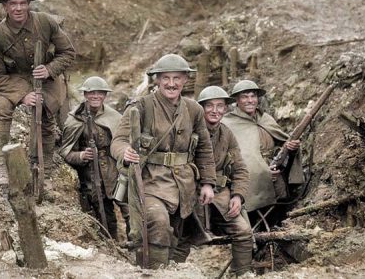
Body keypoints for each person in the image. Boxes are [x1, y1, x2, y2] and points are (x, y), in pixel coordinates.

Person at [110, 53, 217, 268]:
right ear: (157, 80)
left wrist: (207, 183)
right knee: (156, 225)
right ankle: (153, 272)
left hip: (183, 187)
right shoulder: (141, 107)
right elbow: (119, 140)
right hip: (149, 182)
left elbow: (204, 148)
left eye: (177, 78)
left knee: (176, 238)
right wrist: (126, 152)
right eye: (165, 78)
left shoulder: (194, 109)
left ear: (185, 80)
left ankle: (168, 270)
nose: (171, 84)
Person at [0, 0, 76, 191]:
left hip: (45, 76)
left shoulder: (45, 22)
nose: (18, 8)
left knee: (46, 111)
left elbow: (68, 53)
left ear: (28, 5)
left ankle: (45, 167)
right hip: (15, 79)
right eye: (13, 4)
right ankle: (0, 166)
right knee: (2, 109)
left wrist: (50, 69)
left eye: (22, 3)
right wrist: (22, 96)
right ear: (5, 7)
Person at [174, 86, 253, 276]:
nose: (215, 111)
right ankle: (170, 273)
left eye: (220, 106)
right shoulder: (187, 131)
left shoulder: (227, 134)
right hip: (190, 193)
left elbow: (240, 168)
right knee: (182, 238)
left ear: (226, 109)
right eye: (209, 106)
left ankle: (241, 274)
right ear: (200, 108)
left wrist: (238, 195)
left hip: (220, 194)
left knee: (243, 232)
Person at [221, 80, 305, 216]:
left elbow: (281, 147)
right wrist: (263, 172)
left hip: (274, 173)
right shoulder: (227, 123)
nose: (250, 100)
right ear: (237, 100)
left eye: (253, 96)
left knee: (281, 206)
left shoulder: (266, 119)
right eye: (244, 97)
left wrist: (290, 148)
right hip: (247, 178)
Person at [59, 76, 128, 239]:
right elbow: (65, 152)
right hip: (92, 174)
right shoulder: (74, 119)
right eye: (92, 93)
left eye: (100, 93)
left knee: (129, 207)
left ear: (105, 95)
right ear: (85, 95)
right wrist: (82, 155)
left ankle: (136, 245)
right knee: (103, 212)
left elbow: (124, 142)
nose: (95, 96)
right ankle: (112, 245)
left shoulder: (115, 117)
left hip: (115, 171)